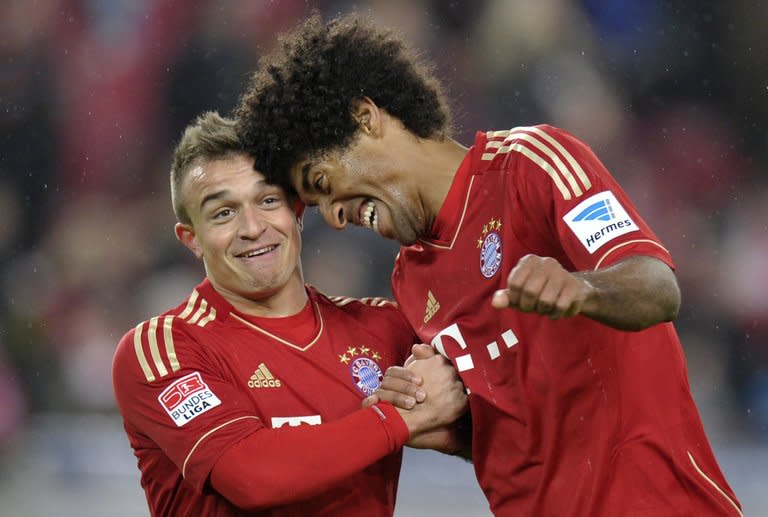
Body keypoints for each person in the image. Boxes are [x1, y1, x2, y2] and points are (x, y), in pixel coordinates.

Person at [234, 14, 742, 517]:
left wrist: (582, 288)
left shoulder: (533, 164)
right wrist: (442, 426)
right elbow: (521, 436)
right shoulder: (410, 280)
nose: (336, 218)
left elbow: (656, 286)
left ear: (365, 117)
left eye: (322, 184)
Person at [111, 111, 468, 516]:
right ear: (192, 239)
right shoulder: (166, 346)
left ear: (297, 210)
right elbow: (250, 474)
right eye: (223, 213)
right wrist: (396, 421)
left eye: (267, 201)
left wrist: (458, 426)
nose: (252, 227)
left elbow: (502, 423)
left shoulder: (383, 329)